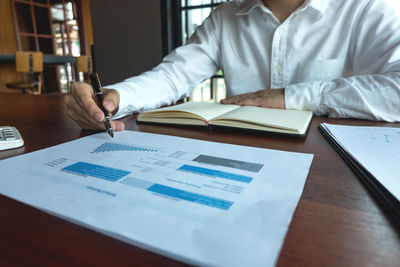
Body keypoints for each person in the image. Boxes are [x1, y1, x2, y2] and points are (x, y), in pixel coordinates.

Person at [64, 0, 400, 132]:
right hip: (242, 152)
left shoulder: (368, 9)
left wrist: (295, 97)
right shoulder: (225, 16)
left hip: (335, 168)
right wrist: (115, 97)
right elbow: (174, 75)